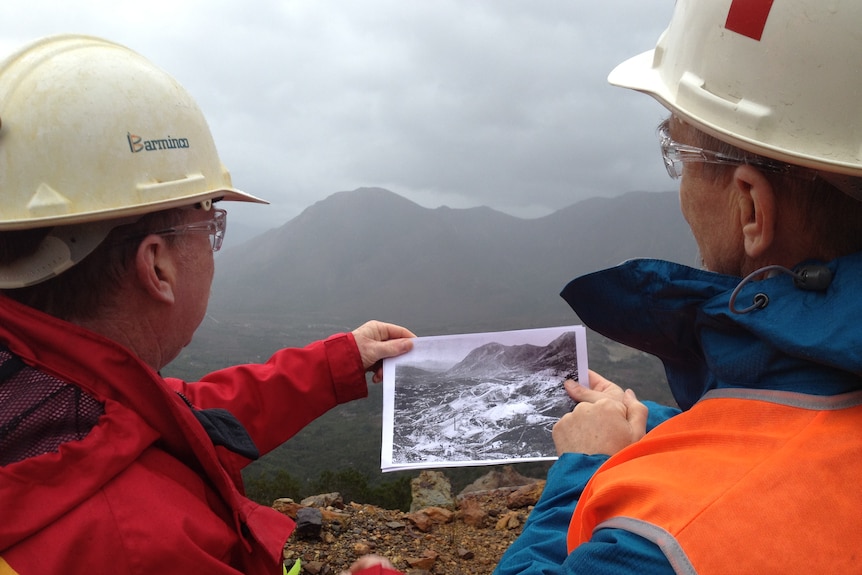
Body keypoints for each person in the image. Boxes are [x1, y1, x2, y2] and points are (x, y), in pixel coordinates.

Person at [0, 35, 413, 575]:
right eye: (209, 220)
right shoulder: (136, 543)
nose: (214, 242)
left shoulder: (42, 394)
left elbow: (185, 416)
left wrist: (340, 360)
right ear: (158, 266)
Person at [494, 1, 862, 573]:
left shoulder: (661, 542)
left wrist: (588, 468)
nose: (681, 188)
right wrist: (672, 429)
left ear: (750, 206)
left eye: (679, 153)